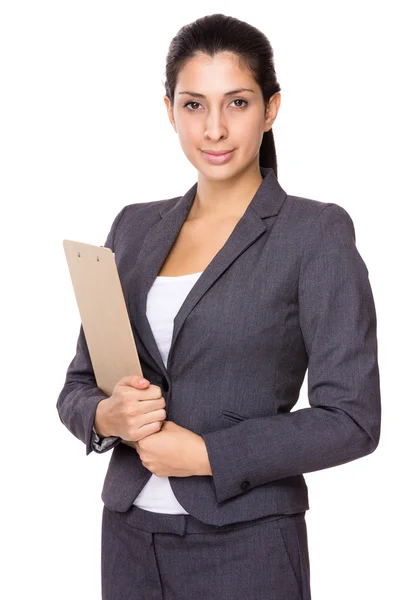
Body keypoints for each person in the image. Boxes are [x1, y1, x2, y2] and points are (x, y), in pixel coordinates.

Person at [56, 13, 381, 600]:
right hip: (129, 538)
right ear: (169, 111)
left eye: (236, 103)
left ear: (271, 109)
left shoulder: (313, 233)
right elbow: (79, 385)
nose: (214, 129)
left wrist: (209, 454)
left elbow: (353, 420)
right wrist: (108, 418)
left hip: (247, 544)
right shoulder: (133, 227)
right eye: (193, 105)